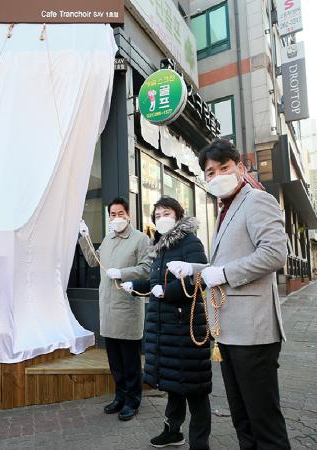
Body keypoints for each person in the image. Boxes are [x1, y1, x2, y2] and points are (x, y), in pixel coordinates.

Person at [167, 139, 290, 449]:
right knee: (242, 419)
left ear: (241, 168)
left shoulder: (256, 200)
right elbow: (222, 263)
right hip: (229, 332)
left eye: (224, 168)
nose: (217, 175)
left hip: (253, 332)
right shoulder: (226, 209)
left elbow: (275, 253)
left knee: (264, 422)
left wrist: (223, 274)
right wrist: (195, 269)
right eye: (210, 172)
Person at [124, 196, 211, 450]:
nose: (162, 219)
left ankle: (200, 443)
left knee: (195, 388)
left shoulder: (190, 242)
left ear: (178, 215)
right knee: (173, 383)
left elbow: (200, 278)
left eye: (167, 213)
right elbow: (155, 285)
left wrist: (168, 291)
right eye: (158, 215)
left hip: (185, 327)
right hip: (163, 328)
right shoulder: (159, 246)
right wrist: (136, 285)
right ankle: (173, 431)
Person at [78, 197, 151, 421]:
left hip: (127, 308)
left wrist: (122, 273)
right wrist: (85, 237)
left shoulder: (140, 239)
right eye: (112, 214)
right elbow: (93, 261)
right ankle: (120, 397)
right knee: (115, 361)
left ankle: (133, 400)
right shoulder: (108, 239)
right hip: (108, 308)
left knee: (130, 361)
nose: (116, 218)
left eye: (120, 213)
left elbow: (147, 268)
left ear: (128, 215)